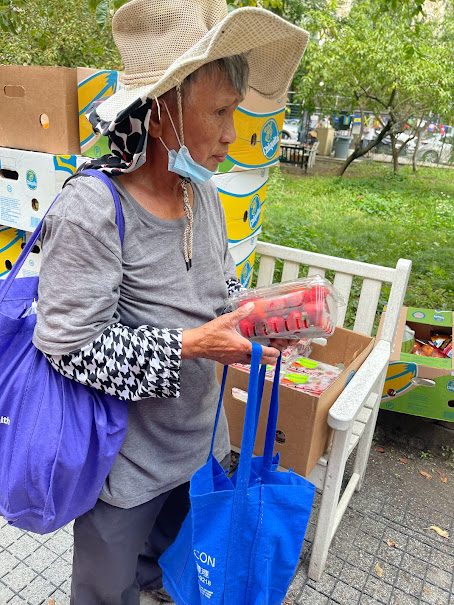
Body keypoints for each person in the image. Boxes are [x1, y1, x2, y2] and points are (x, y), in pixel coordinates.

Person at [32, 0, 309, 603]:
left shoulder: (201, 196)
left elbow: (216, 294)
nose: (234, 135)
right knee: (106, 593)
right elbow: (66, 344)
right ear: (162, 115)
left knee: (170, 575)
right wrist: (191, 344)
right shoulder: (92, 210)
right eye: (220, 112)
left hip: (201, 449)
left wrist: (255, 320)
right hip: (126, 469)